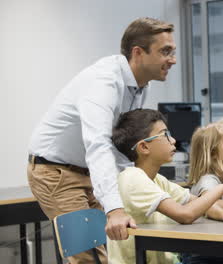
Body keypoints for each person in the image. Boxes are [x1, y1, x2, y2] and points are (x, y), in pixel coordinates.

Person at [27, 17, 176, 263]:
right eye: (165, 51)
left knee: (114, 251)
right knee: (89, 258)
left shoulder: (139, 86)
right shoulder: (103, 82)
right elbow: (99, 146)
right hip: (56, 171)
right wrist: (115, 209)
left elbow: (122, 146)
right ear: (138, 53)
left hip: (88, 171)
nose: (173, 59)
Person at [109, 108, 223, 264]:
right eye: (165, 135)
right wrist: (222, 188)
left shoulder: (158, 180)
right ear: (144, 147)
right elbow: (185, 215)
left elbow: (197, 203)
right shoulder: (132, 178)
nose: (173, 140)